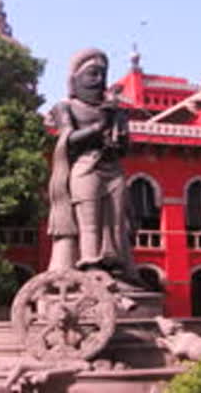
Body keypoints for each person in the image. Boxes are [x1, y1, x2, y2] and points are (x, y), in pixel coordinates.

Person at [47, 48, 138, 281]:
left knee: (116, 224)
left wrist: (120, 131)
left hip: (113, 170)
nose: (99, 80)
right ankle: (90, 268)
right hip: (85, 168)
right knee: (89, 224)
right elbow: (68, 140)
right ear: (75, 79)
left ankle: (117, 268)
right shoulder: (65, 107)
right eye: (92, 74)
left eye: (103, 74)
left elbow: (125, 149)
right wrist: (100, 126)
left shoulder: (114, 110)